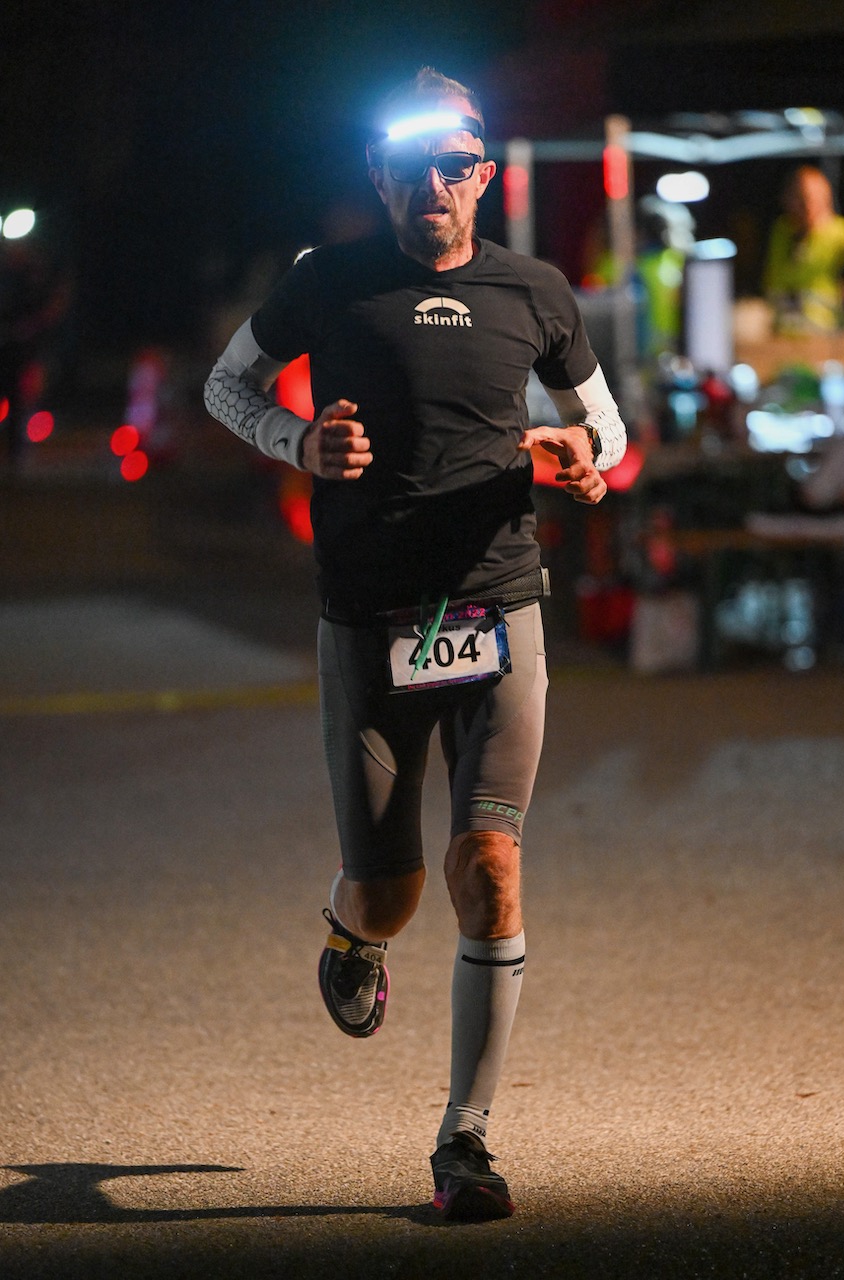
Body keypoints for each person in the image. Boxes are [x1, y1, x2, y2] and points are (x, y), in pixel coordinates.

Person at [204, 66, 626, 1221]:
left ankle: (465, 1140)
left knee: (487, 865)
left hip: (501, 607)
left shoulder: (534, 290)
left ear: (481, 172)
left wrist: (581, 454)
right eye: (411, 168)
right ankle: (352, 932)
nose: (433, 186)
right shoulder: (325, 285)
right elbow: (223, 385)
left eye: (455, 166)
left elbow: (606, 423)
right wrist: (299, 440)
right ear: (381, 174)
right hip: (369, 618)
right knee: (391, 895)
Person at [762, 165, 844, 335]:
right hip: (783, 338)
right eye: (799, 198)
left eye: (813, 198)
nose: (807, 205)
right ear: (785, 199)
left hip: (831, 341)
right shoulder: (781, 232)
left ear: (827, 198)